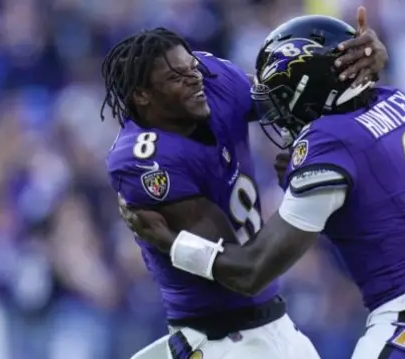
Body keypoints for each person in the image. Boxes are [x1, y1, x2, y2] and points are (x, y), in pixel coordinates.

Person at [119, 14, 405, 359]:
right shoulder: (397, 101)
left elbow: (253, 271)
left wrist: (170, 242)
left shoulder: (328, 142)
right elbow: (376, 178)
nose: (280, 114)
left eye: (284, 98)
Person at [104, 8, 388, 359]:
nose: (194, 78)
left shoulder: (213, 79)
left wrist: (356, 67)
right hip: (218, 339)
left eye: (192, 67)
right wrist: (308, 197)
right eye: (176, 77)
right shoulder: (145, 159)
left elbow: (293, 96)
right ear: (142, 96)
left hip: (277, 325)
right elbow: (239, 270)